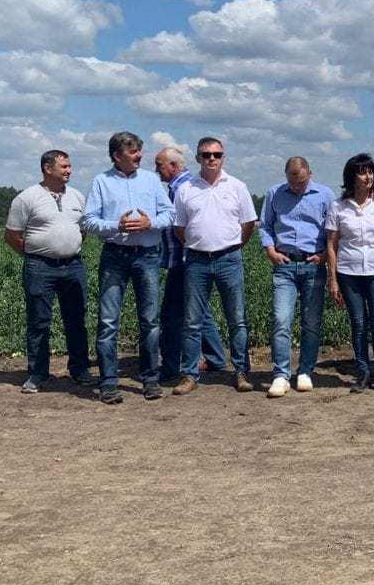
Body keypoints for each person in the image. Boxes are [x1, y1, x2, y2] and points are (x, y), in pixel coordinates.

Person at [82, 132, 174, 404]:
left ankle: (150, 379)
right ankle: (109, 383)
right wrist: (116, 226)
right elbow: (88, 220)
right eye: (133, 152)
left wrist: (150, 223)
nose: (139, 156)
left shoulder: (151, 180)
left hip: (147, 256)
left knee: (150, 320)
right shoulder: (101, 181)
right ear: (116, 155)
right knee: (108, 321)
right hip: (115, 256)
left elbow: (170, 214)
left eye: (139, 151)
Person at [4, 150, 94, 394]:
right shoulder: (26, 198)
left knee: (76, 319)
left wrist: (66, 247)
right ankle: (37, 373)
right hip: (39, 268)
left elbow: (83, 230)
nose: (69, 170)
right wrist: (37, 255)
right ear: (47, 168)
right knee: (39, 321)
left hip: (73, 266)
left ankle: (80, 369)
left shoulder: (77, 197)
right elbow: (11, 236)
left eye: (69, 166)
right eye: (64, 166)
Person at [174, 137, 258, 395]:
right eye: (206, 154)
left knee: (237, 319)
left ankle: (241, 372)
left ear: (223, 157)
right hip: (197, 261)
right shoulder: (185, 189)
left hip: (229, 259)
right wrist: (199, 243)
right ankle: (189, 375)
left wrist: (234, 245)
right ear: (197, 158)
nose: (212, 158)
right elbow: (180, 228)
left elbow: (248, 224)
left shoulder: (237, 187)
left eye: (217, 154)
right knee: (192, 321)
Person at [260, 157, 334, 398]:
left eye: (301, 182)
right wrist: (271, 252)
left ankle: (305, 371)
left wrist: (324, 256)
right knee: (281, 319)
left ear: (310, 174)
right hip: (285, 264)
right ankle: (281, 374)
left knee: (311, 322)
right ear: (286, 176)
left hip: (313, 264)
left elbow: (333, 231)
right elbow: (265, 226)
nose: (296, 187)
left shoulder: (325, 195)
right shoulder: (274, 193)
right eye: (292, 182)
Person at [154, 147, 228, 387]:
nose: (156, 170)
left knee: (171, 315)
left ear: (173, 166)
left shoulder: (182, 188)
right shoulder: (181, 187)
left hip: (185, 260)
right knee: (199, 311)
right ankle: (216, 358)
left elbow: (186, 228)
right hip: (187, 259)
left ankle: (170, 367)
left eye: (159, 165)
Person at [325, 153, 374, 394]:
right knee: (358, 324)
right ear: (351, 177)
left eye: (370, 171)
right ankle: (362, 372)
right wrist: (333, 279)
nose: (368, 177)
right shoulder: (338, 207)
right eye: (362, 172)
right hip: (349, 271)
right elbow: (332, 245)